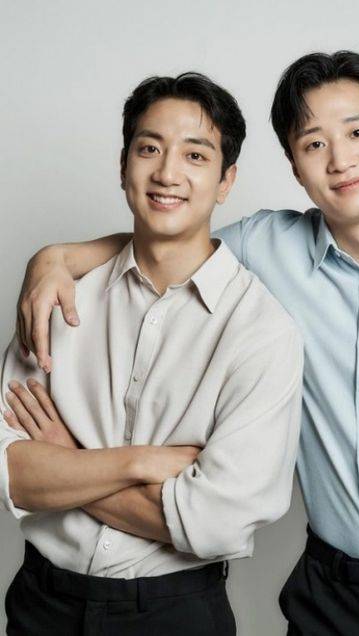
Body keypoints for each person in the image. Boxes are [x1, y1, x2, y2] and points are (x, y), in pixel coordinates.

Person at [10, 50, 359, 635]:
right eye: (314, 143)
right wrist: (53, 259)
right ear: (294, 166)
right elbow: (167, 232)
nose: (341, 160)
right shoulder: (269, 246)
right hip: (330, 594)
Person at [0, 72, 304, 635]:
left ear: (226, 180)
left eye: (196, 155)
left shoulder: (262, 331)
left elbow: (217, 524)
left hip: (175, 613)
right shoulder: (57, 299)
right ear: (123, 166)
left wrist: (68, 460)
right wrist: (137, 462)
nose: (167, 173)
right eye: (149, 149)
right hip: (42, 603)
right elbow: (13, 475)